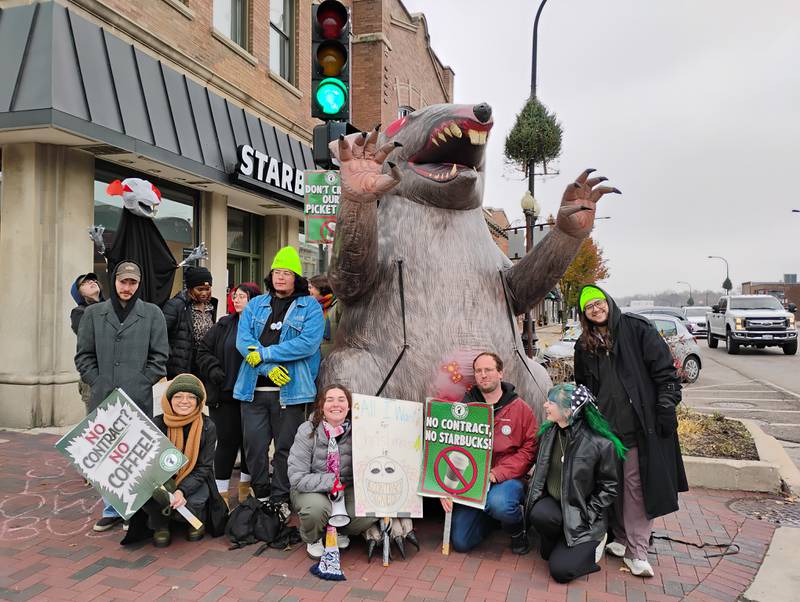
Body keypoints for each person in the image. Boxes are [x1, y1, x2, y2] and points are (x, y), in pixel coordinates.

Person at [573, 284, 687, 577]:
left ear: (608, 302)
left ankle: (638, 551)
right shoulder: (584, 345)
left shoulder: (636, 330)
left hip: (639, 428)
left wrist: (665, 406)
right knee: (615, 485)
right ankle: (621, 539)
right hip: (605, 432)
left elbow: (665, 373)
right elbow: (583, 388)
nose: (595, 309)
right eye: (589, 307)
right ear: (584, 314)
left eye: (598, 303)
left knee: (635, 488)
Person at [75, 260, 169, 531]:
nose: (127, 287)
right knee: (106, 455)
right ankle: (111, 509)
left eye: (133, 282)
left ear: (139, 284)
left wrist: (141, 382)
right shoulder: (94, 314)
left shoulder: (152, 314)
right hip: (103, 395)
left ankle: (133, 510)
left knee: (133, 456)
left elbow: (160, 357)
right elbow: (84, 355)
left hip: (138, 395)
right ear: (113, 282)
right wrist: (97, 380)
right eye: (122, 281)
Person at [234, 246, 324, 514]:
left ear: (297, 277)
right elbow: (243, 342)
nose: (280, 277)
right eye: (276, 272)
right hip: (253, 390)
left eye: (287, 273)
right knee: (254, 447)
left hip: (291, 392)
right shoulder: (255, 305)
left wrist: (266, 354)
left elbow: (307, 344)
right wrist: (268, 368)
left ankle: (280, 498)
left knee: (286, 448)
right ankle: (261, 493)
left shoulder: (310, 307)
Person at [525, 383, 623, 583]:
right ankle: (563, 539)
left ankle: (596, 541)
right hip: (556, 505)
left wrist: (589, 513)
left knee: (561, 571)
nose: (545, 405)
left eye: (551, 402)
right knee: (540, 516)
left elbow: (609, 487)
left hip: (584, 514)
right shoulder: (549, 433)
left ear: (569, 411)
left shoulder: (600, 444)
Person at [445, 352, 539, 555]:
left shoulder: (520, 409)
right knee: (461, 542)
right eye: (478, 371)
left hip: (506, 479)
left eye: (488, 370)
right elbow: (447, 446)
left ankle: (517, 530)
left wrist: (498, 473)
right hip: (472, 482)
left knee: (500, 503)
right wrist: (443, 487)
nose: (483, 375)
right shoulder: (464, 409)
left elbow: (529, 450)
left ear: (500, 373)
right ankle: (492, 518)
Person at [287, 384, 377, 558]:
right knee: (316, 508)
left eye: (341, 400)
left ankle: (340, 529)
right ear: (321, 406)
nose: (336, 404)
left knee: (370, 509)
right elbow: (297, 478)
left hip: (345, 488)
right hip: (311, 489)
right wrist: (330, 482)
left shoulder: (359, 432)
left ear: (349, 407)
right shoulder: (307, 430)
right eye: (330, 400)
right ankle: (312, 538)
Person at [139, 374, 225, 547]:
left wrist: (182, 491)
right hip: (162, 479)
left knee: (195, 500)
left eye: (191, 397)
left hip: (193, 476)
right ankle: (160, 525)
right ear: (169, 400)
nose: (184, 401)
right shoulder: (156, 424)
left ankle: (194, 520)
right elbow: (147, 463)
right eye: (178, 396)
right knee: (152, 495)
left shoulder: (208, 426)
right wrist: (167, 489)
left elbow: (203, 467)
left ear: (199, 401)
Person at [196, 282, 262, 507]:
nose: (236, 300)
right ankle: (221, 495)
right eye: (235, 296)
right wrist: (213, 369)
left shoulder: (260, 327)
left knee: (249, 443)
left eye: (242, 296)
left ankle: (245, 488)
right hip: (224, 396)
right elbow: (203, 351)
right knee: (226, 442)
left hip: (252, 395)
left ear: (254, 300)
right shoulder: (224, 324)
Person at [162, 266, 218, 379]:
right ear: (190, 289)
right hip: (181, 369)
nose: (204, 293)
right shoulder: (176, 305)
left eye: (207, 289)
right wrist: (170, 358)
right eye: (200, 289)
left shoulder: (211, 306)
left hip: (203, 366)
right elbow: (161, 335)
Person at [69, 272, 104, 414]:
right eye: (84, 283)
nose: (92, 282)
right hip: (94, 375)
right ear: (79, 294)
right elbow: (95, 339)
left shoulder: (111, 308)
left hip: (114, 374)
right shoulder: (79, 312)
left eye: (93, 280)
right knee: (96, 423)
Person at [309, 274, 339, 357]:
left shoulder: (336, 306)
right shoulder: (311, 307)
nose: (308, 291)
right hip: (314, 356)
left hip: (332, 357)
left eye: (311, 287)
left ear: (320, 288)